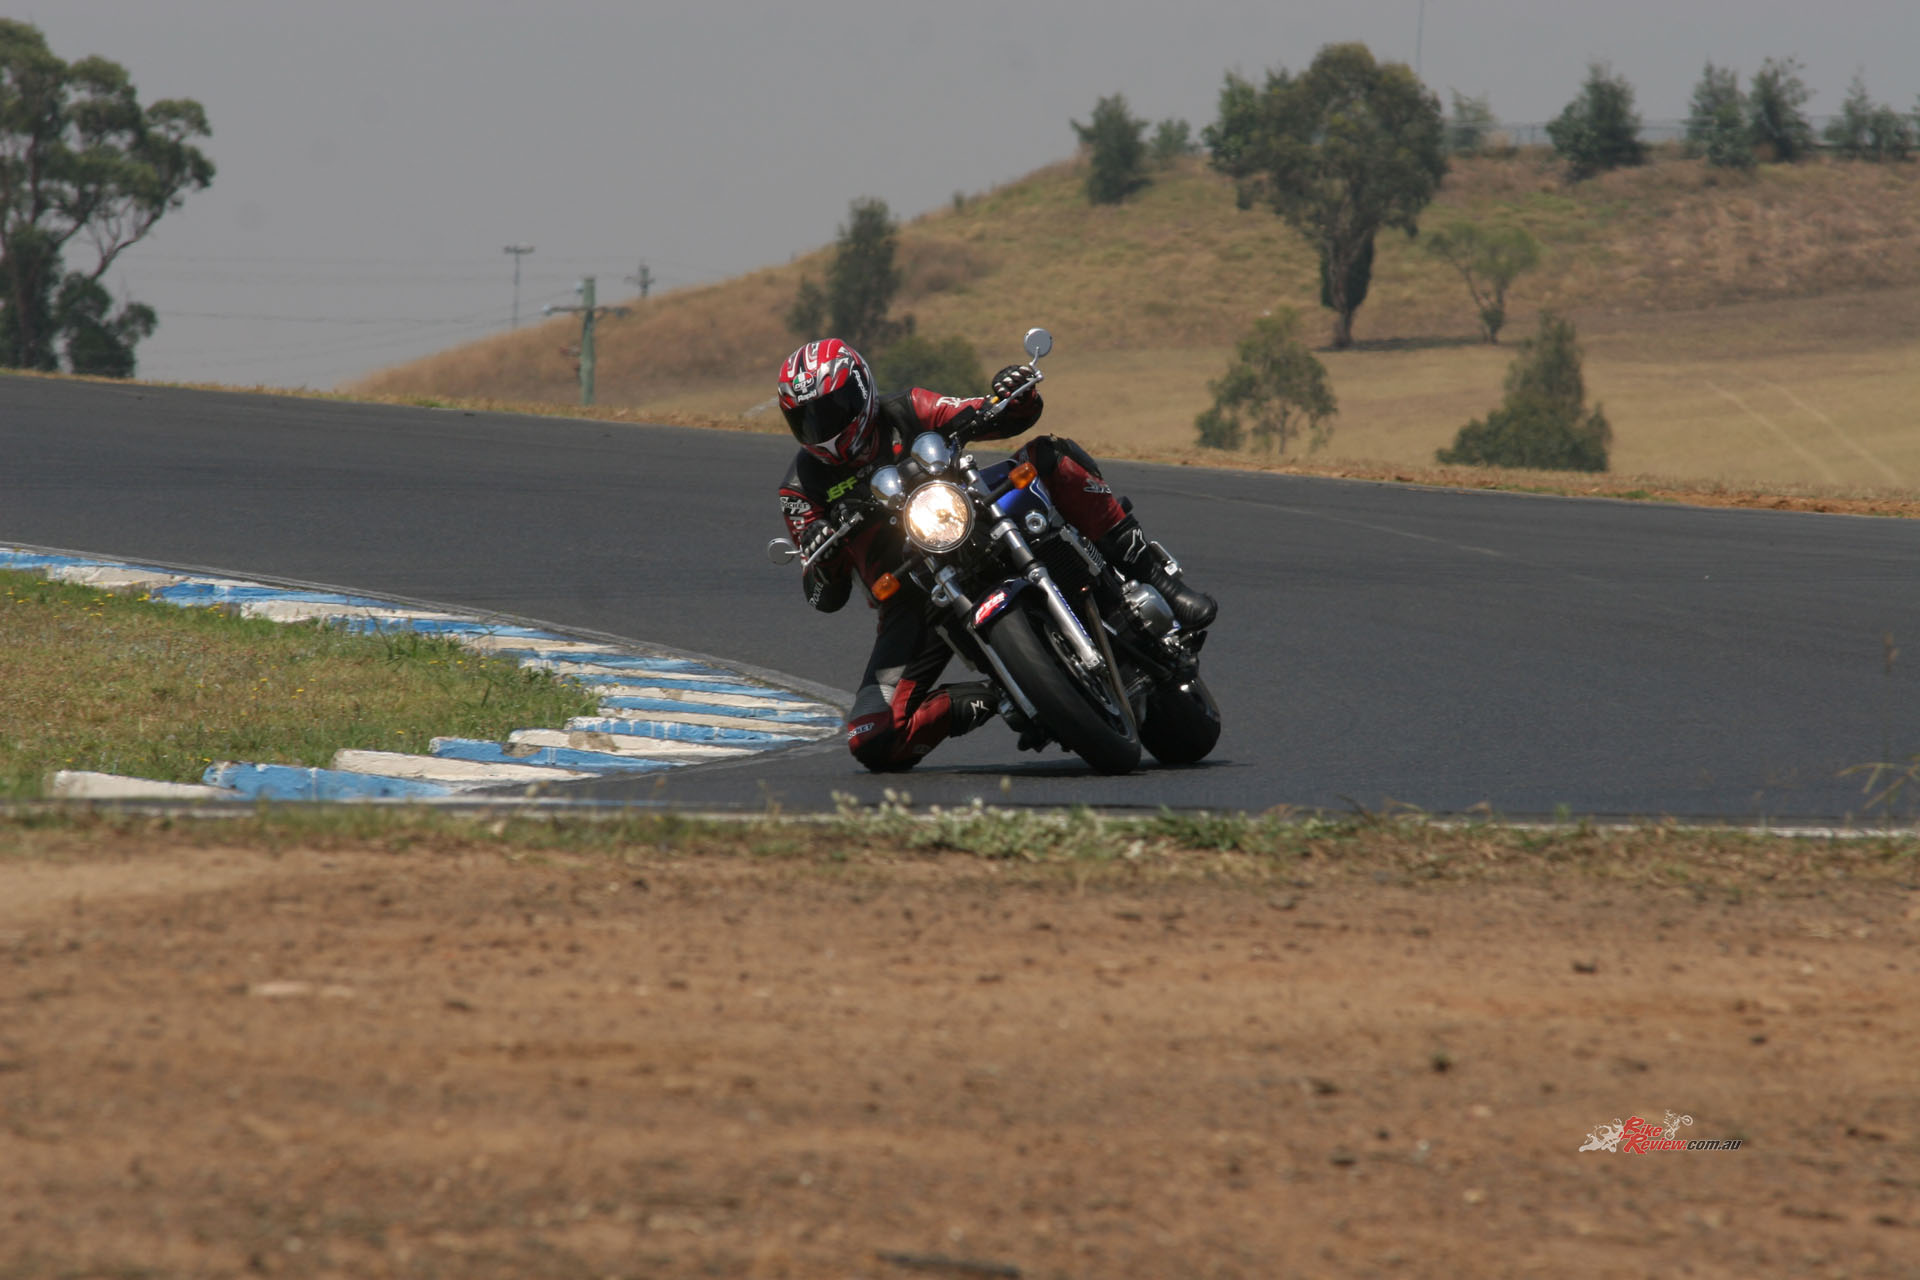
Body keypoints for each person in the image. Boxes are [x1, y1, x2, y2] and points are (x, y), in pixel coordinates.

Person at [776, 338, 1216, 772]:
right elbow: (823, 597)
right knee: (872, 738)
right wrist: (820, 548)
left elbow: (988, 413)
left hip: (973, 518)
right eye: (807, 420)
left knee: (1049, 457)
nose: (822, 428)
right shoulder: (800, 488)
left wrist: (1013, 394)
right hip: (912, 596)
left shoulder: (907, 409)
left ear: (861, 391)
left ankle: (1159, 580)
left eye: (831, 410)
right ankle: (989, 696)